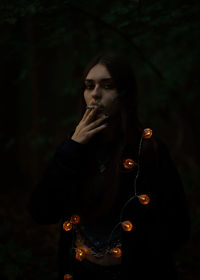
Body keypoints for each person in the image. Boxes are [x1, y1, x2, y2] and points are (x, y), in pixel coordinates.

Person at [28, 52, 190, 280]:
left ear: (124, 94)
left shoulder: (148, 150)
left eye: (108, 86)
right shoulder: (73, 149)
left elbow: (178, 226)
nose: (95, 94)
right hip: (80, 271)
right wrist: (71, 149)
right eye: (88, 86)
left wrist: (141, 256)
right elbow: (41, 212)